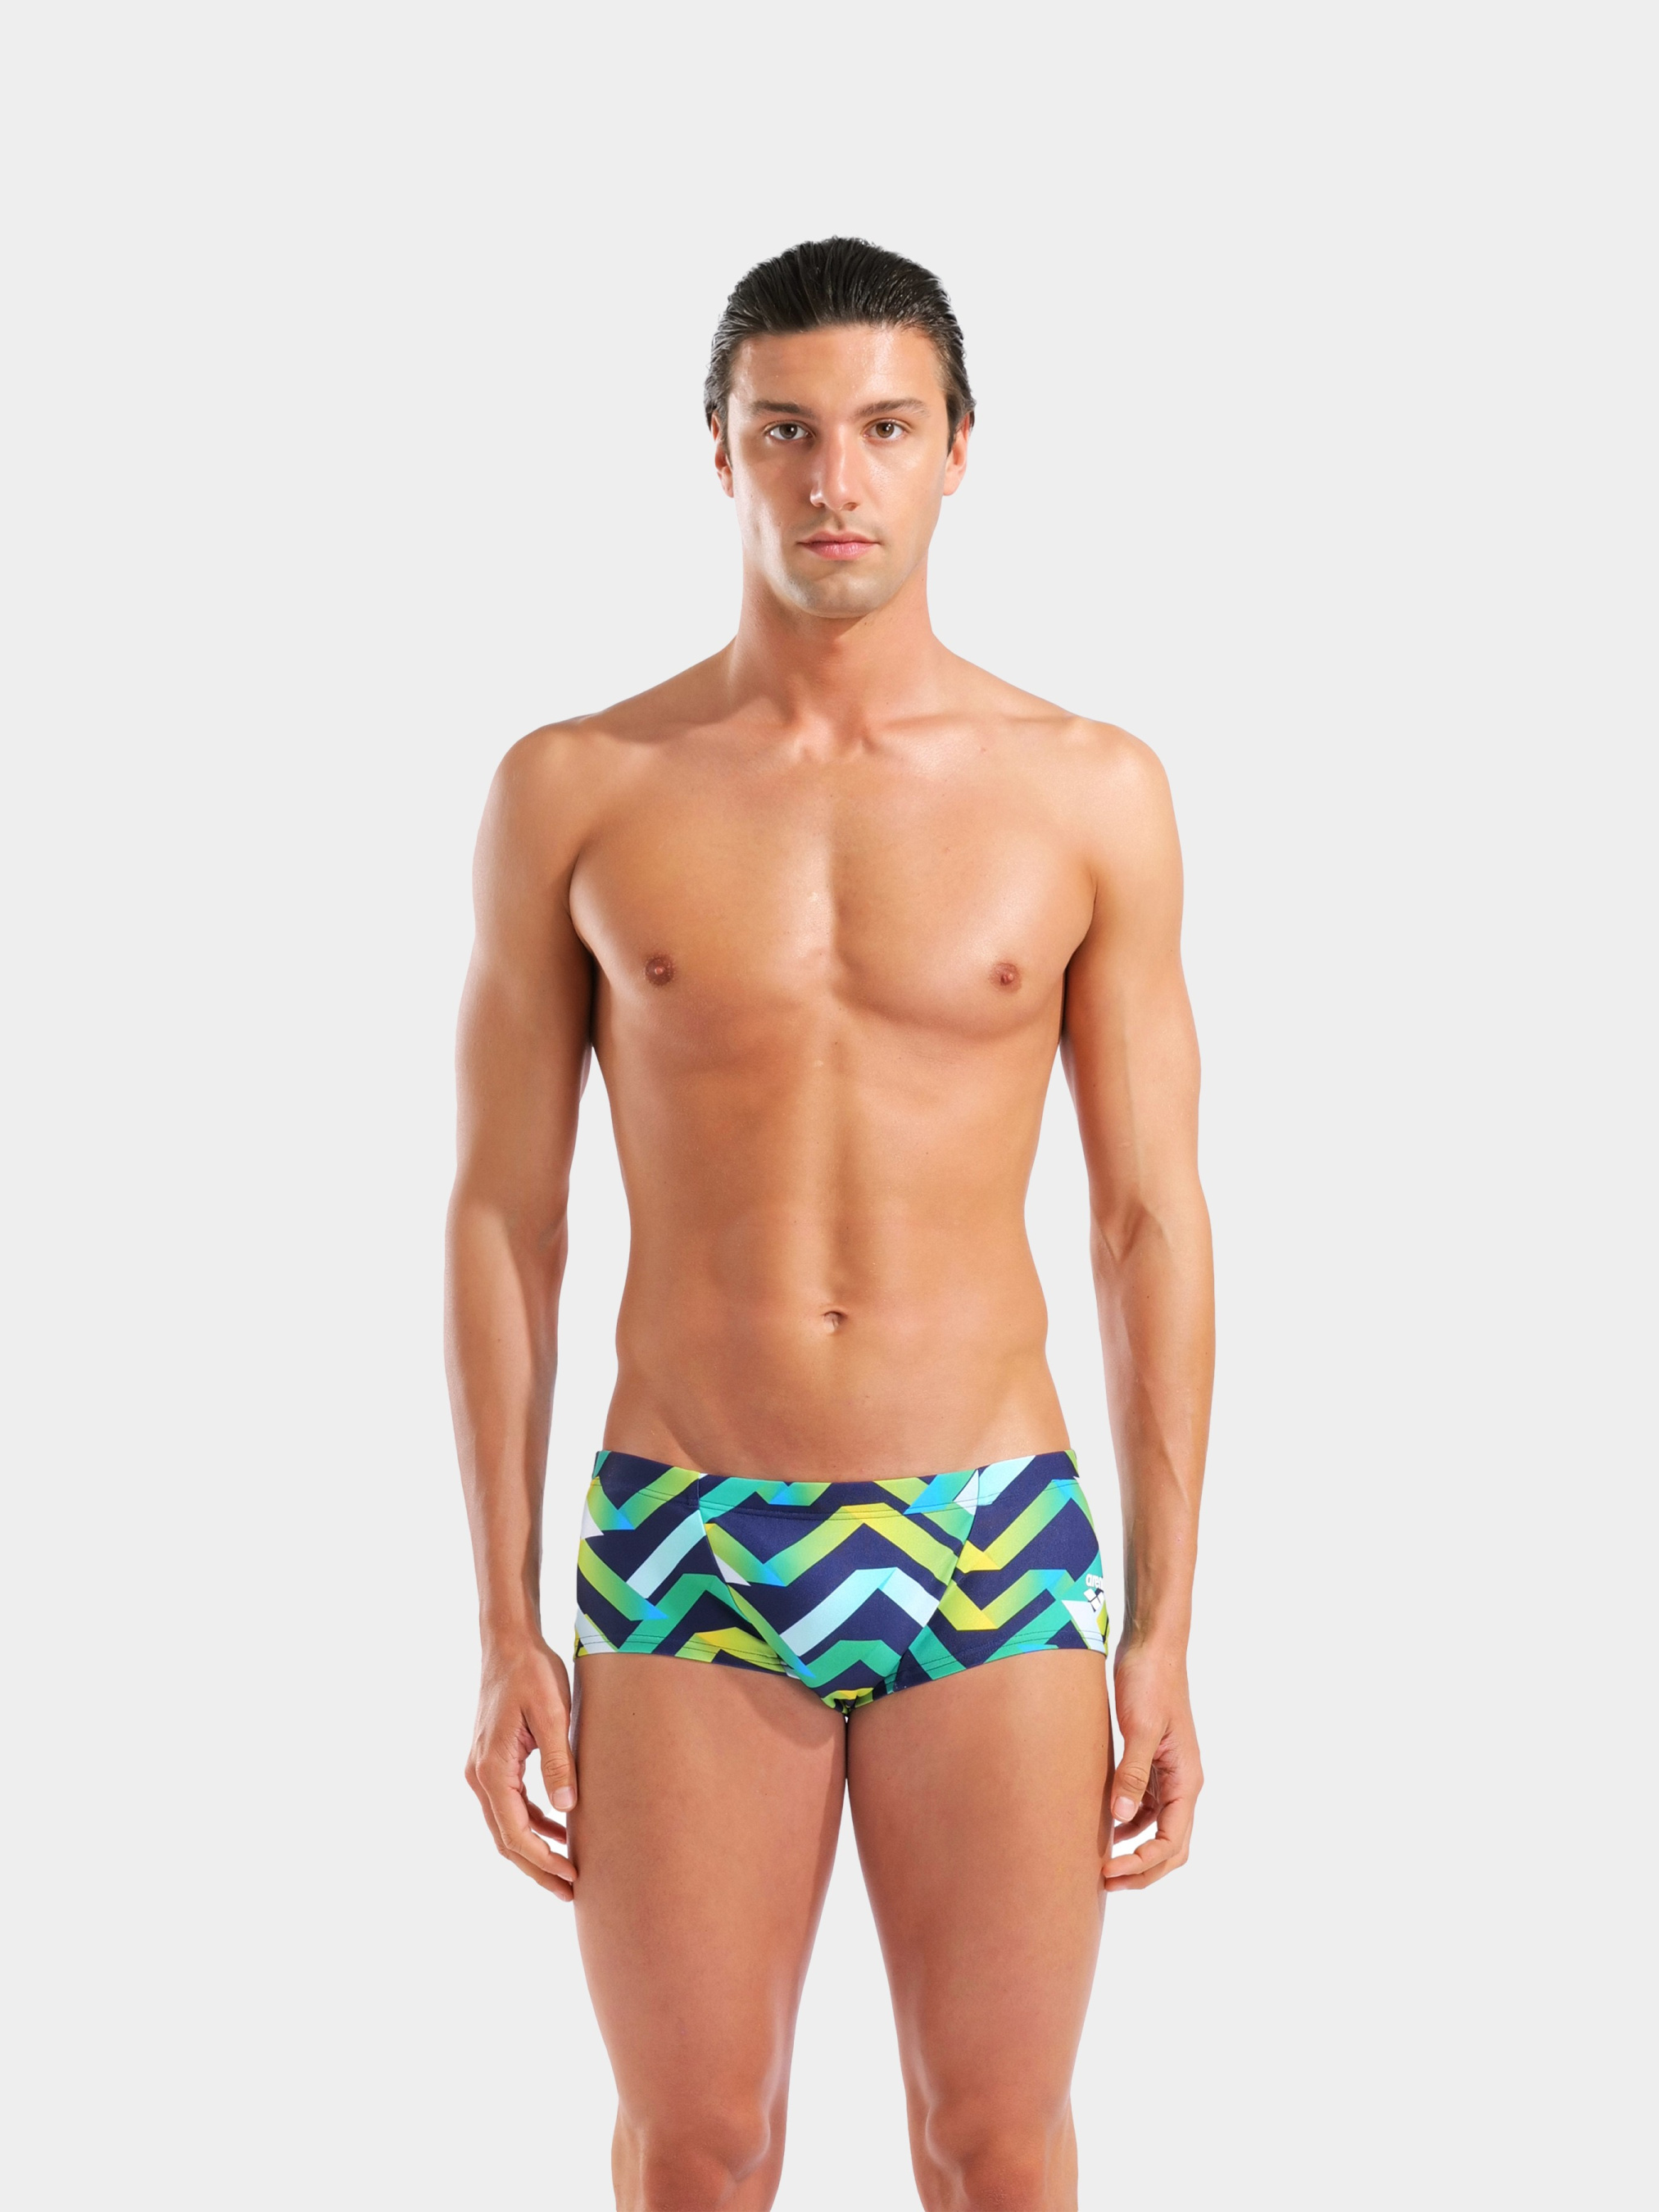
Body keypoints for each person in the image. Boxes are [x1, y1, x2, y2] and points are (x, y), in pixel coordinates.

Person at [445, 236, 1213, 2212]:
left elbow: (1146, 1221)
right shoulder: (578, 790)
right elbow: (503, 1218)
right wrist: (501, 1621)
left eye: (881, 428)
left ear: (960, 450)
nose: (832, 480)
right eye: (784, 431)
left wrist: (1162, 1628)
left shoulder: (1088, 793)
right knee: (699, 2150)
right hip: (688, 1535)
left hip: (992, 1540)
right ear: (716, 452)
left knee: (991, 2144)